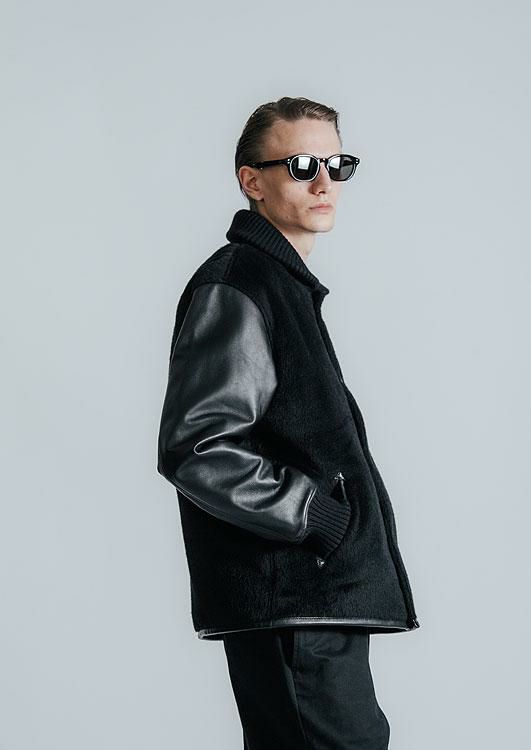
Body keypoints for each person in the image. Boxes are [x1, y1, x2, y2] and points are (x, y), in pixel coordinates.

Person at [156, 96, 420, 749]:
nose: (324, 182)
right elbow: (199, 446)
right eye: (302, 165)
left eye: (338, 164)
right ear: (252, 180)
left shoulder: (281, 284)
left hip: (311, 602)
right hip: (293, 600)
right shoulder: (240, 283)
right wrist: (318, 517)